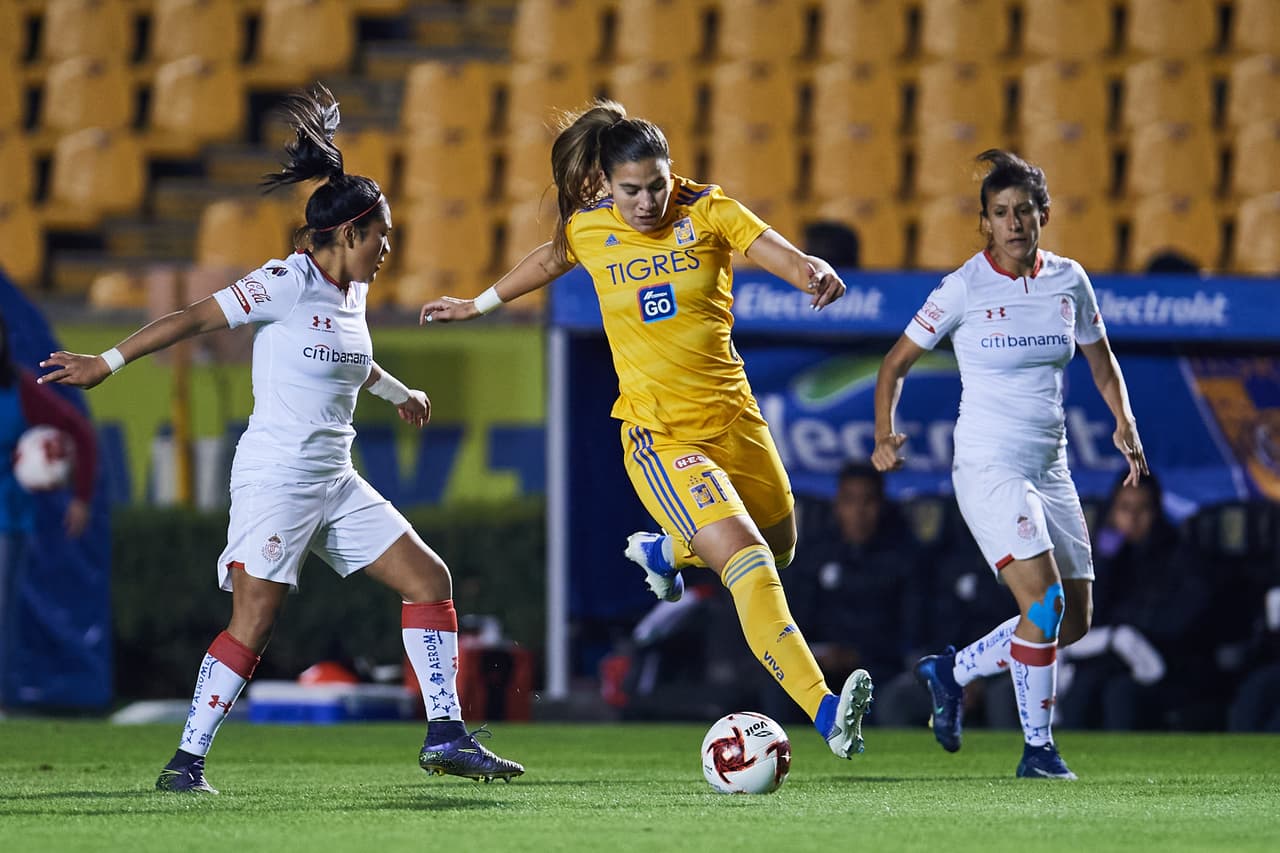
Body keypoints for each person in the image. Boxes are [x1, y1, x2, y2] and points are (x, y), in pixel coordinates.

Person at [38, 85, 523, 792]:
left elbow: (351, 362)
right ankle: (186, 763)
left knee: (429, 579)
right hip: (277, 477)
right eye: (382, 236)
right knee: (255, 619)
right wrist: (105, 363)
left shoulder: (352, 292)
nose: (389, 249)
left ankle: (446, 735)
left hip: (335, 477)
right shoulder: (285, 282)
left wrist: (401, 394)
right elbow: (191, 318)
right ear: (349, 234)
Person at [420, 99, 874, 760]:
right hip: (660, 437)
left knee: (780, 549)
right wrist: (479, 304)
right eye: (630, 189)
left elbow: (766, 244)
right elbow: (550, 259)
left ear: (671, 172)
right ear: (607, 183)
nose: (645, 202)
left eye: (656, 185)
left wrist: (810, 268)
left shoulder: (707, 209)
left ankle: (666, 552)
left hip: (737, 422)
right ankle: (826, 710)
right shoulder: (589, 228)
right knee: (749, 565)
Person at [871, 149, 1149, 780]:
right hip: (989, 464)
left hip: (1051, 465)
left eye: (1024, 210)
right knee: (1044, 605)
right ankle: (1038, 750)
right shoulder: (965, 285)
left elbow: (1102, 360)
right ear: (985, 223)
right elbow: (894, 364)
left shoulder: (1069, 280)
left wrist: (1124, 420)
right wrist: (884, 433)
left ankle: (951, 671)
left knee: (1072, 623)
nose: (1014, 222)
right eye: (1000, 212)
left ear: (1043, 214)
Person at [775, 462, 925, 727]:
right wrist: (819, 652)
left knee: (889, 699)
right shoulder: (816, 553)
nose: (859, 512)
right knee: (780, 683)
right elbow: (796, 616)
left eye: (868, 501)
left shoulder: (905, 559)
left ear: (882, 506)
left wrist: (858, 655)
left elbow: (911, 630)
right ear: (837, 506)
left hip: (879, 668)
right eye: (849, 500)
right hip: (820, 665)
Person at [0, 311, 96, 711]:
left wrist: (81, 497)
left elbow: (80, 432)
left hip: (7, 518)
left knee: (2, 615)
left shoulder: (18, 388)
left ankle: (3, 700)